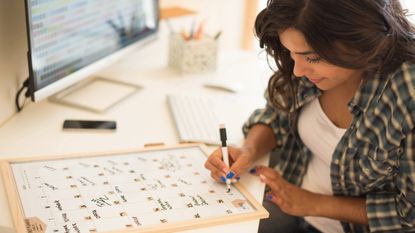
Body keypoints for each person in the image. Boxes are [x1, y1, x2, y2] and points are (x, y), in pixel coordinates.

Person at [204, 0, 415, 232]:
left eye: (312, 58)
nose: (298, 71)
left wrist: (312, 204)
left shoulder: (406, 91)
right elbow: (277, 115)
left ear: (358, 40)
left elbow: (409, 213)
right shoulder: (307, 66)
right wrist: (249, 150)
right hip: (293, 199)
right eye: (291, 53)